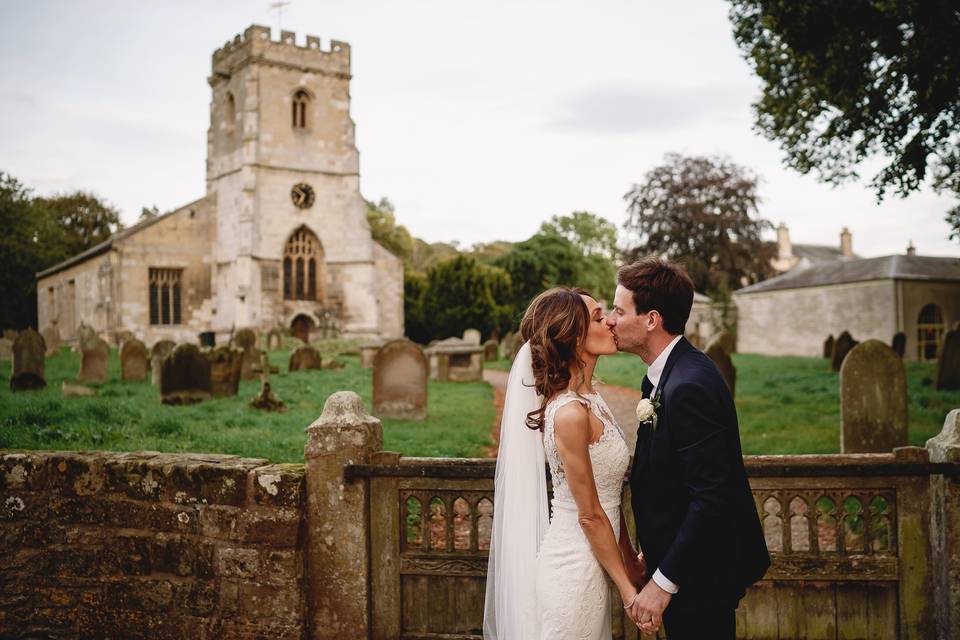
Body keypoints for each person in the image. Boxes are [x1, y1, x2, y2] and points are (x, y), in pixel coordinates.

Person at [606, 257, 770, 638]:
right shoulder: (666, 376)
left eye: (618, 309)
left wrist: (663, 583)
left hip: (703, 576)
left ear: (651, 319)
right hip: (687, 565)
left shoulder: (689, 385)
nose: (611, 320)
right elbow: (672, 480)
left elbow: (712, 497)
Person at [483, 287, 646, 639]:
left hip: (594, 565)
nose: (612, 322)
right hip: (572, 572)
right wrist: (629, 593)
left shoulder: (592, 398)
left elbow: (608, 502)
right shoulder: (570, 413)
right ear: (574, 337)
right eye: (600, 318)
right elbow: (589, 514)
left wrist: (631, 559)